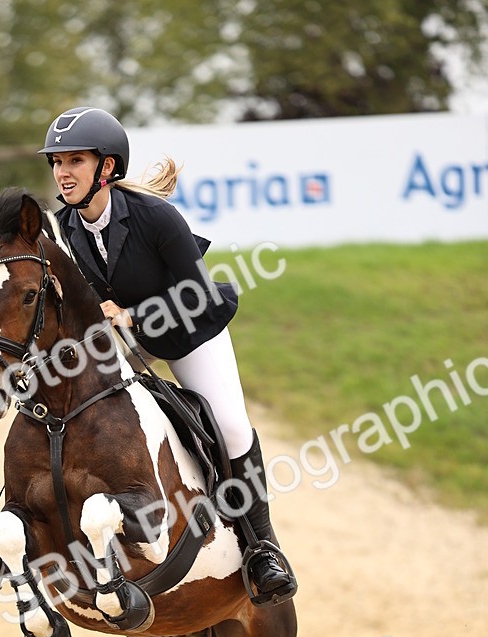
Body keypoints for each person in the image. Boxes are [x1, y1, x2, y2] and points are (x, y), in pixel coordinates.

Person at [39, 105, 296, 607]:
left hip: (189, 332)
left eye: (74, 161)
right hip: (127, 342)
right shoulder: (66, 225)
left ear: (106, 167)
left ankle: (262, 549)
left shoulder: (155, 217)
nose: (62, 173)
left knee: (230, 427)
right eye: (57, 162)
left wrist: (132, 316)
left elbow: (198, 295)